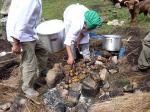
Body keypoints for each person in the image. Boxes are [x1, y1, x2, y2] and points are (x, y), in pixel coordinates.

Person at [6, 0, 48, 97]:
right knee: (29, 62)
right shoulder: (29, 1)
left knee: (42, 50)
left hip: (29, 32)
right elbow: (21, 21)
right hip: (19, 35)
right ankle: (27, 87)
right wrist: (16, 43)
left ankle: (40, 70)